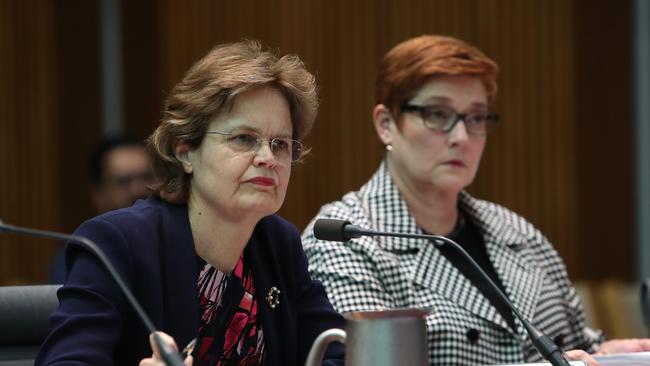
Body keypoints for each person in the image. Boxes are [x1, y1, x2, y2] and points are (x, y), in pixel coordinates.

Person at [301, 35, 650, 365]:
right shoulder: (345, 240)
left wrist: (603, 353)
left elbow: (571, 346)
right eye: (438, 115)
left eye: (476, 117)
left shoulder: (518, 233)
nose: (462, 136)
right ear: (387, 124)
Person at [36, 40, 344, 366]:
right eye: (244, 139)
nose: (268, 158)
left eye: (280, 143)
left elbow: (342, 355)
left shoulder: (277, 244)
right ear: (185, 152)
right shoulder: (118, 244)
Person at [49, 136, 153, 283]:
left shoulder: (182, 242)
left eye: (147, 177)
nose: (138, 189)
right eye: (124, 182)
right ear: (99, 195)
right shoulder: (81, 256)